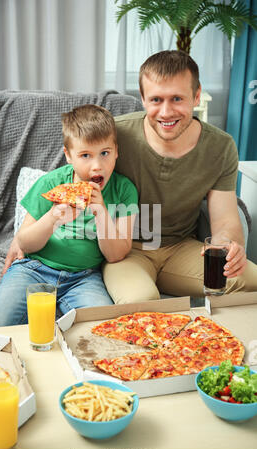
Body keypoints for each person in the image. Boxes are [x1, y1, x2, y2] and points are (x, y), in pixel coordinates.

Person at [0, 104, 138, 331]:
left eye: (105, 153)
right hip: (33, 269)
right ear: (68, 155)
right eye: (85, 155)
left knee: (103, 333)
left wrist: (101, 213)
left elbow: (116, 255)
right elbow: (24, 242)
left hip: (84, 278)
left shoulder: (124, 190)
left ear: (116, 151)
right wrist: (53, 217)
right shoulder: (51, 183)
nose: (97, 165)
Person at [102, 50, 257, 303]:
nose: (166, 112)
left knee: (252, 282)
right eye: (156, 100)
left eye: (177, 98)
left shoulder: (221, 146)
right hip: (127, 252)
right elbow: (73, 181)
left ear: (196, 96)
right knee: (142, 302)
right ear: (142, 98)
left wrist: (229, 246)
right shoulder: (115, 136)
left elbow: (225, 221)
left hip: (182, 250)